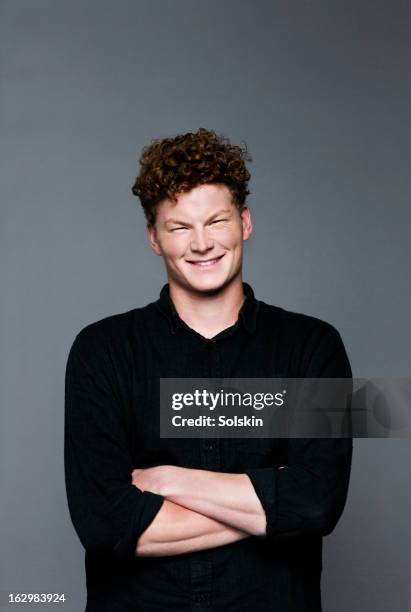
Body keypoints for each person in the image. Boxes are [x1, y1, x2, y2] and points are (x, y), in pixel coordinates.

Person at [64, 128, 353, 611]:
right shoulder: (100, 350)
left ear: (244, 222)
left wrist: (165, 480)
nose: (201, 244)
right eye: (179, 227)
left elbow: (318, 503)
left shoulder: (315, 346)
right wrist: (271, 501)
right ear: (155, 239)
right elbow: (104, 524)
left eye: (216, 221)